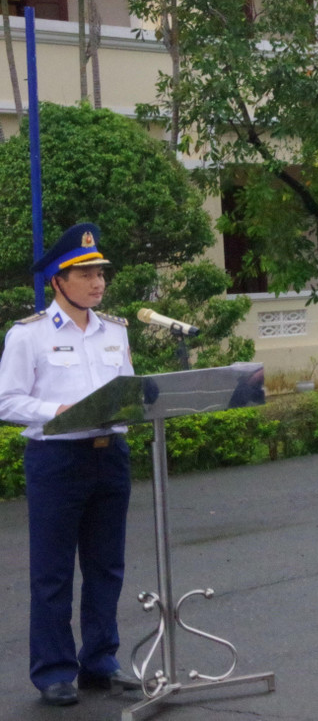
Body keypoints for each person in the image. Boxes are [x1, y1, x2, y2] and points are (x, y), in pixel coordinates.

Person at [0, 223, 139, 707]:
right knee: (53, 571)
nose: (98, 281)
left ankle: (100, 661)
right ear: (58, 281)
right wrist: (54, 412)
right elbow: (8, 401)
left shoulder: (115, 332)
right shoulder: (29, 335)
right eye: (85, 274)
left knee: (107, 565)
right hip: (57, 460)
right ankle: (54, 670)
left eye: (101, 272)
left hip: (109, 456)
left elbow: (128, 393)